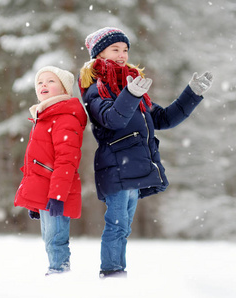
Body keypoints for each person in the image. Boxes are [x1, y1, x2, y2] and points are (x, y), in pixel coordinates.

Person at [79, 27, 213, 278]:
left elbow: (163, 118)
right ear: (99, 54)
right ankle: (111, 275)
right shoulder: (96, 88)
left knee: (124, 227)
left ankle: (117, 273)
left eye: (125, 49)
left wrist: (191, 94)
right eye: (115, 49)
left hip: (133, 166)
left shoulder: (130, 84)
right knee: (117, 226)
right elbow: (112, 118)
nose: (122, 54)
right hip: (115, 165)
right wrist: (130, 94)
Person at [15, 66, 87, 276]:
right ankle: (56, 271)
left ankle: (59, 272)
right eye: (40, 82)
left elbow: (67, 160)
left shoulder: (64, 117)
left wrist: (57, 195)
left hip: (56, 192)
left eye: (50, 81)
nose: (43, 85)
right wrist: (35, 201)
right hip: (46, 191)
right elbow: (36, 163)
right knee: (49, 238)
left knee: (56, 238)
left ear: (64, 88)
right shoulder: (45, 116)